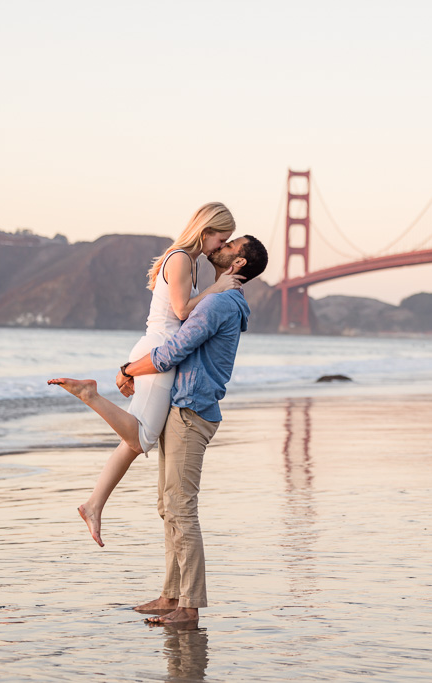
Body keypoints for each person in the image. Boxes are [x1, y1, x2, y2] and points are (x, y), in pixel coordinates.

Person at [52, 234, 268, 626]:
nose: (221, 246)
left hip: (191, 410)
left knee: (181, 508)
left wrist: (126, 370)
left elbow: (173, 351)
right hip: (184, 407)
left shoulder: (220, 302)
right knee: (168, 506)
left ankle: (189, 606)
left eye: (230, 244)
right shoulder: (222, 298)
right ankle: (171, 595)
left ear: (238, 264)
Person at [49, 202, 241, 547]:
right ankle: (89, 394)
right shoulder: (182, 258)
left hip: (156, 352)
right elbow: (182, 310)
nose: (220, 247)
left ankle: (93, 504)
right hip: (159, 355)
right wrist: (221, 286)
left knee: (132, 441)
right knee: (141, 439)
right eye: (221, 239)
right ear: (207, 229)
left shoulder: (187, 261)